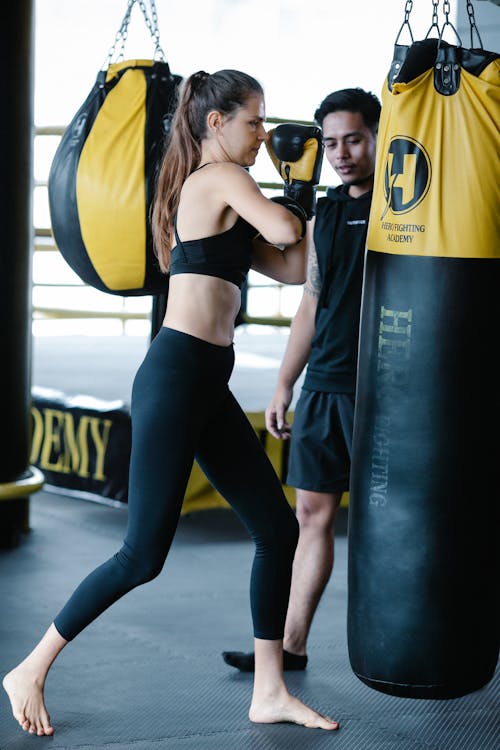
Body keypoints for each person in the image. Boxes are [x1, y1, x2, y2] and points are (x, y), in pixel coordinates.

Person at [2, 69, 339, 736]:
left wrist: (300, 189)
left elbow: (295, 265)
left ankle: (269, 690)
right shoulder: (219, 180)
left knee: (275, 529)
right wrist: (294, 183)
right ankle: (31, 666)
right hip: (178, 374)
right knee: (142, 555)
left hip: (203, 380)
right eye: (255, 121)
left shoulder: (226, 192)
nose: (264, 134)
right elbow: (280, 224)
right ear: (217, 124)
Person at [222, 87, 381, 673]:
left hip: (391, 391)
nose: (342, 153)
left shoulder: (408, 208)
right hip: (325, 387)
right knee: (311, 515)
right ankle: (290, 647)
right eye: (332, 142)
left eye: (355, 140)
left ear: (378, 138)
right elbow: (311, 303)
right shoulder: (328, 212)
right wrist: (286, 384)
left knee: (397, 518)